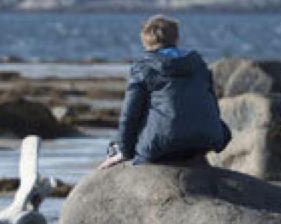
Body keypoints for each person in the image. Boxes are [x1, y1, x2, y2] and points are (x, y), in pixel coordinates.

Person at [98, 15, 231, 170]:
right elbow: (213, 107)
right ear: (175, 38)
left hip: (164, 144)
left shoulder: (144, 67)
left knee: (122, 142)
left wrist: (124, 152)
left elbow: (130, 115)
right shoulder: (198, 64)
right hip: (206, 139)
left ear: (146, 40)